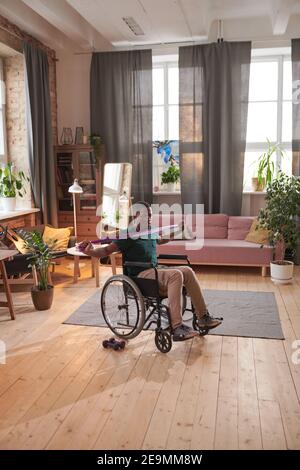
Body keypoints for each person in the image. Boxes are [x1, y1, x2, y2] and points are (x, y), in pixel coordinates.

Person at [81, 202, 222, 341]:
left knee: (187, 271)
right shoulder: (127, 234)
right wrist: (91, 251)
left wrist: (179, 230)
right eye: (146, 215)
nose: (149, 217)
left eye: (150, 215)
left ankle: (203, 317)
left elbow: (161, 240)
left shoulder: (150, 230)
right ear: (136, 215)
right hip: (140, 275)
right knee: (176, 275)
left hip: (154, 270)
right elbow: (106, 250)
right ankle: (177, 326)